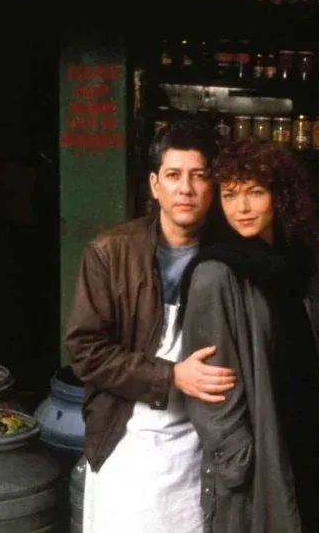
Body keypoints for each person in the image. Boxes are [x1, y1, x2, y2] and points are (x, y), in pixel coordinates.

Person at [178, 138, 319, 533]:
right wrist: (240, 460)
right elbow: (211, 389)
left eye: (256, 192)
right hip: (265, 460)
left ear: (281, 196)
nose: (242, 208)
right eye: (230, 194)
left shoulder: (311, 268)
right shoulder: (216, 274)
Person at [65, 119, 237, 533]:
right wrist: (171, 375)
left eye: (199, 176)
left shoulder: (233, 254)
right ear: (154, 184)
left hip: (202, 443)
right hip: (128, 434)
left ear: (213, 188)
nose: (186, 188)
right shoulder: (110, 252)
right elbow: (85, 349)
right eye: (174, 175)